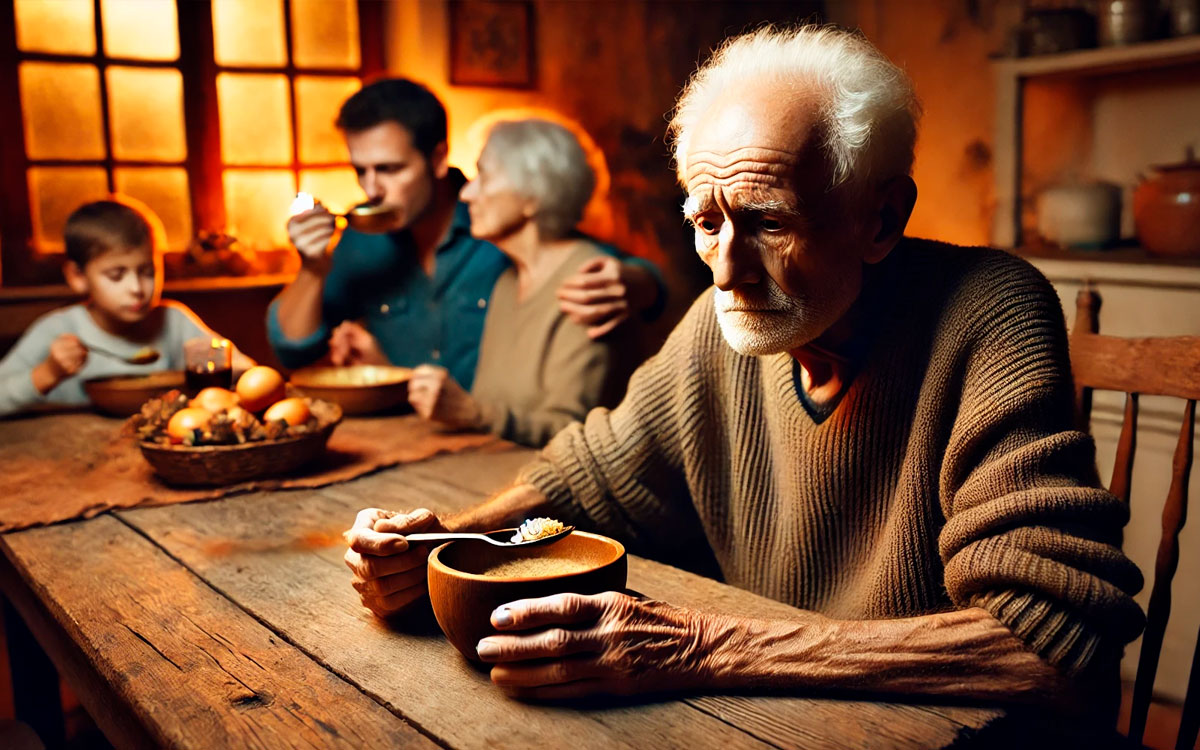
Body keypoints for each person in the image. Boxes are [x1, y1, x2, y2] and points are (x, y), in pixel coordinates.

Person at [344, 26, 1145, 712]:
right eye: (705, 220)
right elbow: (592, 473)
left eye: (768, 221)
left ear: (880, 219)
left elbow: (1053, 647)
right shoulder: (715, 328)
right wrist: (451, 543)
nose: (726, 271)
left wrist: (702, 646)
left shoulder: (990, 310)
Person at [268, 79, 663, 391]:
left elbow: (626, 273)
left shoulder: (498, 222)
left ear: (438, 158)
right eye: (361, 170)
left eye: (389, 169)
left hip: (501, 442)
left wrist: (637, 283)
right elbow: (293, 349)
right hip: (409, 438)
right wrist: (313, 269)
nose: (371, 189)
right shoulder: (360, 243)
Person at [407, 119, 635, 447]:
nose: (467, 193)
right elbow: (496, 405)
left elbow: (575, 433)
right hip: (497, 470)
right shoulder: (505, 283)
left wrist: (473, 413)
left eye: (483, 176)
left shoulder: (588, 284)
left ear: (533, 195)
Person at [0, 199, 253, 416]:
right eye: (116, 275)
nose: (136, 288)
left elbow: (248, 374)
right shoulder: (57, 329)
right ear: (78, 276)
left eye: (147, 271)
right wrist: (47, 373)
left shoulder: (174, 321)